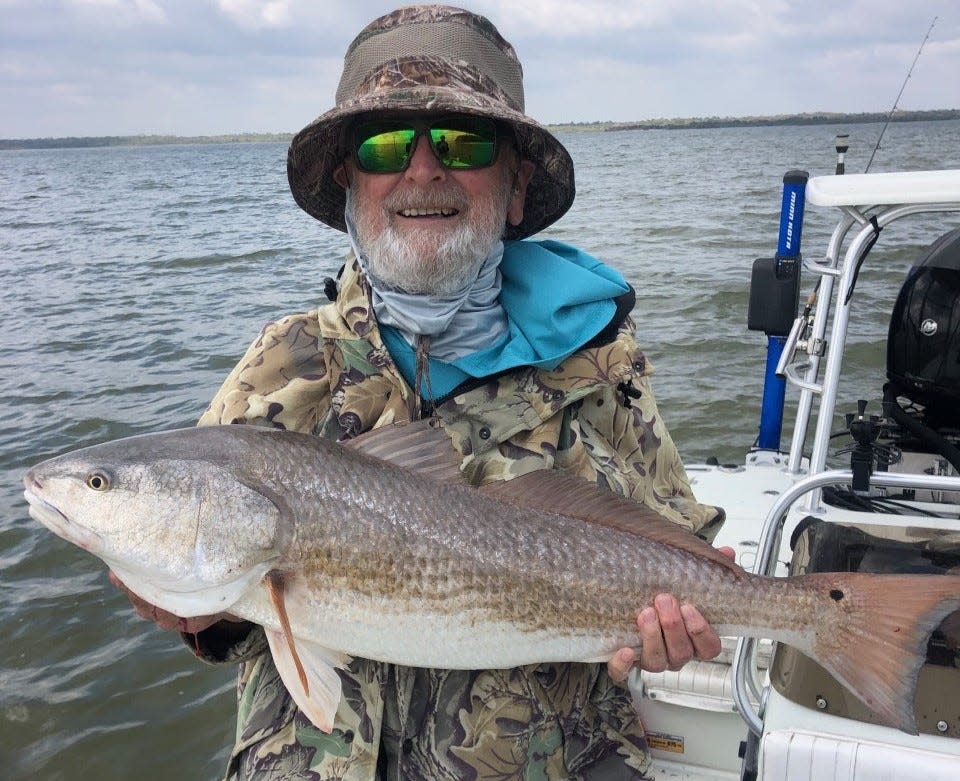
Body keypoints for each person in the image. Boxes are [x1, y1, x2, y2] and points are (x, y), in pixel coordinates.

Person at [113, 5, 729, 779]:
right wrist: (190, 611)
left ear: (515, 187)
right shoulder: (283, 360)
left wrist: (680, 624)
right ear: (349, 184)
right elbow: (228, 582)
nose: (424, 168)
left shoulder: (602, 367)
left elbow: (683, 547)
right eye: (386, 144)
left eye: (464, 143)